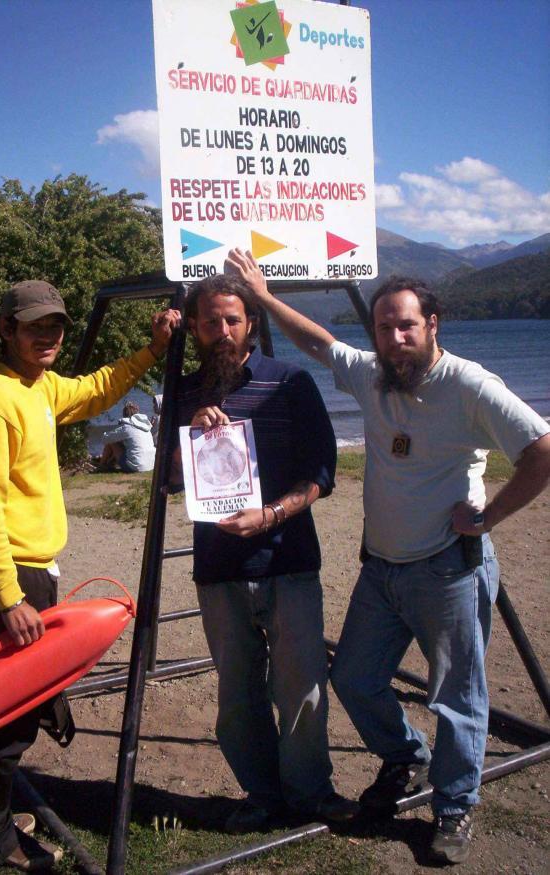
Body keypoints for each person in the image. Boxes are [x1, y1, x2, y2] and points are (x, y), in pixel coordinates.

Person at [226, 248, 550, 864]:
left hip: (448, 568)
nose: (396, 338)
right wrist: (264, 299)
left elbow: (541, 447)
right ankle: (406, 755)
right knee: (351, 678)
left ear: (434, 325)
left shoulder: (470, 384)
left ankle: (454, 807)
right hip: (381, 568)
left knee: (456, 695)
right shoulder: (375, 374)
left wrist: (489, 516)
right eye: (384, 327)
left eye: (407, 325)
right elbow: (322, 345)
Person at [0, 280, 180, 871]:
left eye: (54, 325)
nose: (48, 336)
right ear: (6, 330)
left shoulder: (38, 386)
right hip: (10, 580)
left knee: (13, 711)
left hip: (30, 574)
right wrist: (6, 597)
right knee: (7, 722)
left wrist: (151, 352)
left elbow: (94, 390)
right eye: (34, 327)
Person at [170, 272, 358, 834]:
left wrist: (273, 514)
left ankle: (310, 792)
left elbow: (323, 470)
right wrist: (190, 439)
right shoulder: (182, 392)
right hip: (219, 568)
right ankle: (261, 793)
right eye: (211, 321)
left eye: (232, 319)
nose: (222, 330)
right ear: (197, 328)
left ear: (251, 323)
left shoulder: (292, 381)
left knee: (300, 687)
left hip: (289, 559)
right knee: (237, 693)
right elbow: (168, 482)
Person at [100, 401, 156, 472]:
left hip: (136, 467)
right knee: (127, 444)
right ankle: (109, 464)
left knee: (112, 442)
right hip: (150, 465)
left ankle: (101, 465)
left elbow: (105, 438)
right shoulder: (146, 427)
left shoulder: (127, 427)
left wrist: (117, 439)